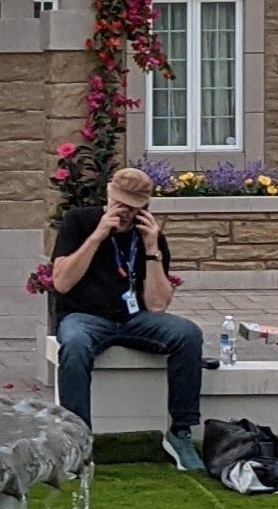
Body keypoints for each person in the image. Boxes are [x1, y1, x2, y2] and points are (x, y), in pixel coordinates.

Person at [50, 166, 205, 471]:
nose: (123, 214)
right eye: (118, 204)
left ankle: (180, 433)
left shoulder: (150, 237)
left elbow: (158, 305)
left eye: (132, 208)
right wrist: (97, 237)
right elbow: (61, 283)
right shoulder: (79, 221)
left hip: (135, 319)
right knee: (75, 344)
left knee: (187, 334)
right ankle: (77, 440)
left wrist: (151, 250)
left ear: (144, 208)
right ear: (108, 196)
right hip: (84, 316)